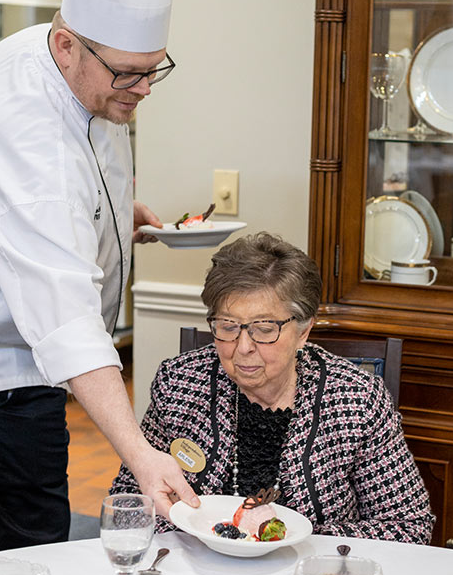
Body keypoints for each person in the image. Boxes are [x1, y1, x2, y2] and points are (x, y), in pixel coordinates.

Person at [0, 0, 197, 548]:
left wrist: (102, 215)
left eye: (155, 71)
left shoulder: (68, 62)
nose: (145, 90)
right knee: (25, 546)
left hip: (27, 368)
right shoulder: (24, 136)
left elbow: (74, 177)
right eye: (130, 75)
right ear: (64, 46)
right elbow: (66, 322)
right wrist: (140, 454)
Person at [112, 233, 434, 543]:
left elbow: (408, 525)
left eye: (264, 329)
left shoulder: (357, 399)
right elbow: (126, 504)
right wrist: (194, 540)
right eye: (227, 327)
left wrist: (296, 542)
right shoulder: (180, 383)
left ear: (304, 331)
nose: (243, 347)